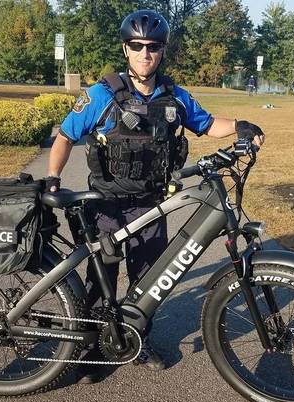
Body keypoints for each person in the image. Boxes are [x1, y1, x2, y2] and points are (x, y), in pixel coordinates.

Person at [45, 9, 265, 377]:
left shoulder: (176, 97)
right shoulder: (102, 95)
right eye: (137, 45)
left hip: (153, 205)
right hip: (106, 203)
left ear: (162, 50)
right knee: (102, 278)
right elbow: (66, 136)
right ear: (126, 48)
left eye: (152, 46)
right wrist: (53, 177)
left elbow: (208, 124)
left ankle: (136, 336)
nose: (144, 53)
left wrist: (240, 126)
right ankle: (89, 345)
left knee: (148, 280)